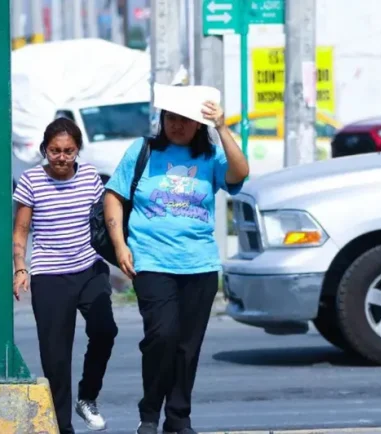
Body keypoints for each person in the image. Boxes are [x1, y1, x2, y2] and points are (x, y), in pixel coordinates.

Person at [103, 88, 249, 434]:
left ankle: (178, 418)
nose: (177, 125)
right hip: (151, 262)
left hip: (199, 266)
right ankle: (150, 413)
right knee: (162, 336)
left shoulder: (211, 156)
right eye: (171, 118)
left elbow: (239, 174)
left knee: (188, 346)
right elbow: (114, 195)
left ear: (198, 124)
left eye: (185, 119)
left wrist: (222, 128)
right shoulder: (143, 150)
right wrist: (120, 246)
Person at [12, 117, 118, 434]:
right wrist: (20, 267)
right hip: (50, 276)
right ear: (45, 150)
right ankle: (63, 426)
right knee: (56, 357)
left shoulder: (88, 176)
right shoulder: (31, 181)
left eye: (68, 151)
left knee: (105, 330)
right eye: (55, 150)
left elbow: (104, 220)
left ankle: (87, 397)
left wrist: (122, 254)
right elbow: (21, 230)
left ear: (77, 151)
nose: (61, 157)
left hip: (89, 268)